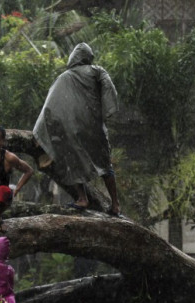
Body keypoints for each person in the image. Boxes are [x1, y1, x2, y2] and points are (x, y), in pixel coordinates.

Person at [33, 42, 121, 216]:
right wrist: (108, 110)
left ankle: (82, 198)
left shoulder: (64, 77)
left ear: (73, 58)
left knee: (72, 162)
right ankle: (116, 204)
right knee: (104, 165)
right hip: (94, 127)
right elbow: (110, 89)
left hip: (72, 129)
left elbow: (50, 105)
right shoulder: (97, 70)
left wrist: (39, 130)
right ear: (89, 57)